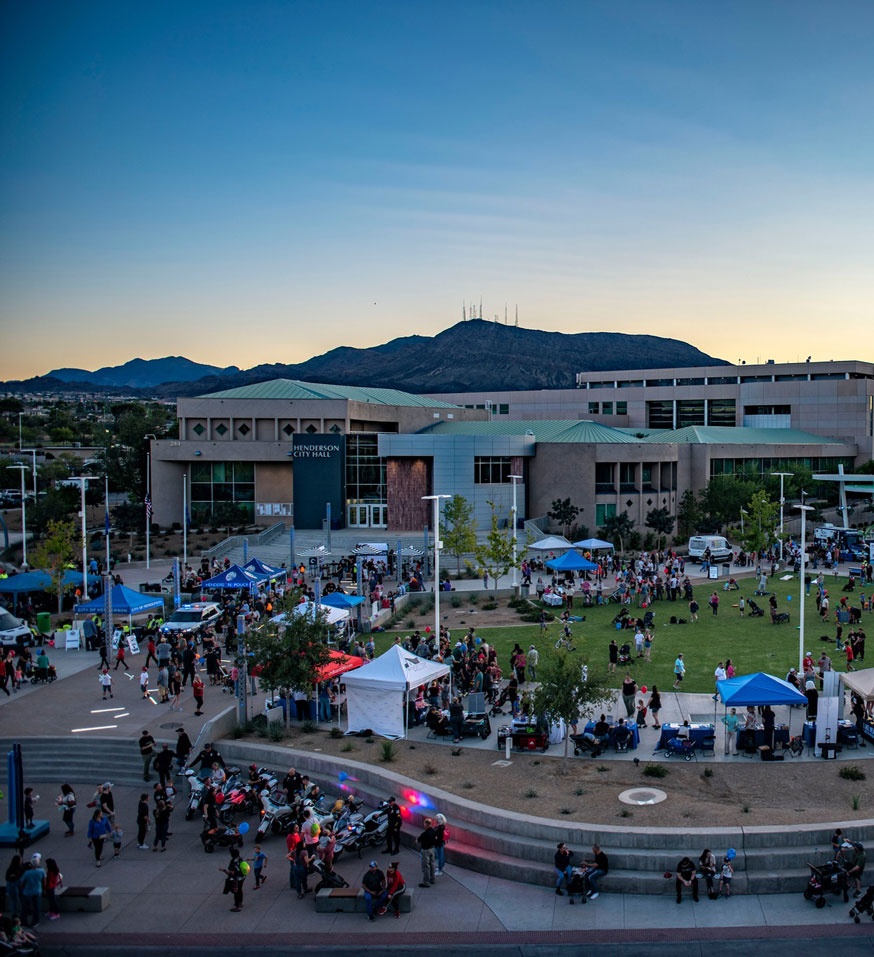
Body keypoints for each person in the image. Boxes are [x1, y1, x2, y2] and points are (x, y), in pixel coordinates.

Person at [19, 854, 46, 928]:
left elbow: (22, 883)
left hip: (27, 892)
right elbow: (44, 881)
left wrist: (22, 889)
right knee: (36, 907)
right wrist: (43, 889)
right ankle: (35, 922)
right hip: (37, 891)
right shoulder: (42, 871)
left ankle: (24, 921)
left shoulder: (27, 873)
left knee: (24, 908)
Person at [221, 847, 246, 912]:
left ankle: (237, 906)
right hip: (242, 877)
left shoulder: (233, 861)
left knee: (236, 892)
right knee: (240, 889)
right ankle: (240, 903)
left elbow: (232, 871)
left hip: (236, 879)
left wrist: (225, 871)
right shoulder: (240, 859)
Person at [417, 817, 437, 887]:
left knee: (426, 866)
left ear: (426, 824)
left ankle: (426, 882)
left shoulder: (424, 834)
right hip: (432, 849)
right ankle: (432, 879)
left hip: (425, 850)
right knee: (432, 864)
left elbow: (419, 840)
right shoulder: (434, 831)